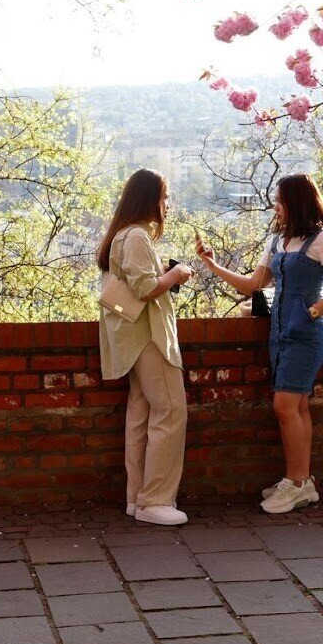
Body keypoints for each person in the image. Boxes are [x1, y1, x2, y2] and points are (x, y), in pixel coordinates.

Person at [196, 174, 323, 514]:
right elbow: (253, 284)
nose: (275, 207)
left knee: (284, 406)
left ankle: (295, 483)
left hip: (308, 335)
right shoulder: (277, 241)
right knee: (297, 406)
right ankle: (302, 482)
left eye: (279, 200)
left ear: (295, 202)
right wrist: (212, 264)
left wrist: (312, 311)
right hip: (279, 333)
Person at [97, 169, 193, 526]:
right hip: (150, 337)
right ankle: (155, 500)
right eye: (165, 197)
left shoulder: (123, 235)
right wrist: (177, 274)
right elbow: (144, 289)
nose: (167, 204)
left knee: (141, 416)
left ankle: (137, 499)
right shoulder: (137, 235)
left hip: (133, 340)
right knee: (170, 411)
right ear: (150, 199)